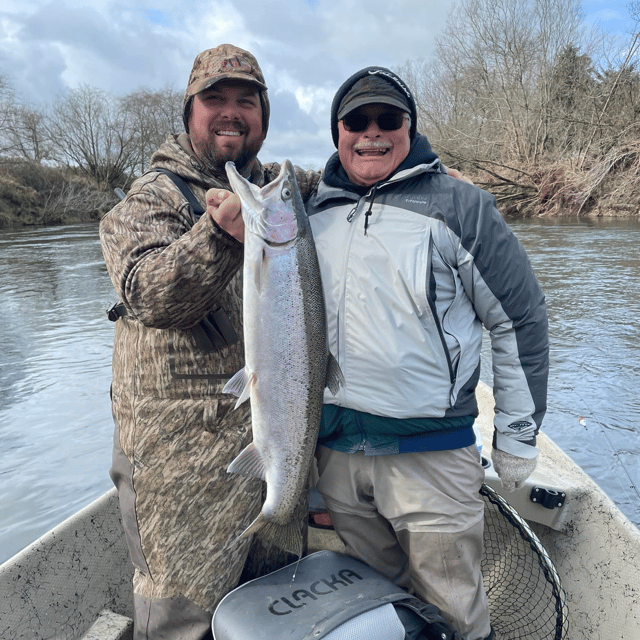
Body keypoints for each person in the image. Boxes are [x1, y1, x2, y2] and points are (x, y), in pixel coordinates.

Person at [303, 68, 549, 640]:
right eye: (356, 120)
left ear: (409, 128)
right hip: (337, 456)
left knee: (455, 611)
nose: (372, 132)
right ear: (336, 131)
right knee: (379, 611)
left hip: (432, 458)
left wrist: (516, 434)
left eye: (388, 119)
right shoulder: (307, 211)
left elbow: (519, 321)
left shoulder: (462, 206)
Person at [99, 44, 320, 640]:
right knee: (185, 627)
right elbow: (150, 295)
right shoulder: (149, 199)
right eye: (214, 100)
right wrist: (218, 235)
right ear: (189, 113)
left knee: (278, 617)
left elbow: (351, 174)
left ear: (264, 118)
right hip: (180, 483)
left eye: (245, 101)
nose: (230, 112)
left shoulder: (276, 192)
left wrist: (425, 173)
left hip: (276, 454)